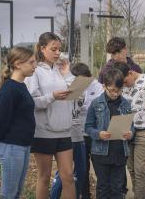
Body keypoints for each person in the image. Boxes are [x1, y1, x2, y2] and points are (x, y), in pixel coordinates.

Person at [25, 32, 76, 199]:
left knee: (68, 176)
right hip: (43, 132)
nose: (57, 53)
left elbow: (74, 93)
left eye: (59, 49)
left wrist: (68, 73)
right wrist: (52, 96)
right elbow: (31, 102)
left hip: (65, 130)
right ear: (42, 48)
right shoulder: (35, 71)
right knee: (45, 177)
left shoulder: (61, 69)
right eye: (53, 49)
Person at [50, 63, 102, 199]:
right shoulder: (65, 89)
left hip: (82, 134)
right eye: (78, 80)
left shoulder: (94, 87)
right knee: (65, 172)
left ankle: (81, 195)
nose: (82, 84)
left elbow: (91, 106)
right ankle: (54, 195)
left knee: (81, 170)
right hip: (68, 136)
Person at [114, 62, 145, 199]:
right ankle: (140, 195)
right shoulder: (120, 84)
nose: (124, 85)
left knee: (140, 170)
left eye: (125, 81)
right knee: (131, 168)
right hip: (127, 132)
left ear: (130, 72)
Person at [85, 68, 134, 199]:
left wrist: (130, 133)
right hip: (101, 153)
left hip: (120, 152)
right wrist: (98, 134)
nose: (115, 94)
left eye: (119, 90)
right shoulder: (96, 103)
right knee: (103, 187)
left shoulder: (126, 104)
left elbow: (131, 126)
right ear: (104, 86)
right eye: (112, 90)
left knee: (117, 188)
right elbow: (88, 127)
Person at [0, 47, 37, 199]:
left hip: (23, 146)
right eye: (31, 62)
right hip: (12, 147)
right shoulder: (10, 89)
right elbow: (1, 119)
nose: (35, 65)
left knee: (16, 193)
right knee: (9, 194)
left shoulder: (21, 86)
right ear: (18, 64)